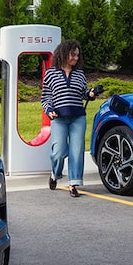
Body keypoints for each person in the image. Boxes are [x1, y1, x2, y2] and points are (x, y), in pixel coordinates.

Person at [41, 39, 101, 197]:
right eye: (72, 55)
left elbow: (84, 93)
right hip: (59, 118)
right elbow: (46, 97)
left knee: (76, 151)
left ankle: (73, 183)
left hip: (78, 118)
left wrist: (92, 93)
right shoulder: (51, 73)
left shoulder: (80, 74)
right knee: (58, 151)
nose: (75, 58)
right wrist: (49, 110)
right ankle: (55, 173)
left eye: (77, 56)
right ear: (64, 53)